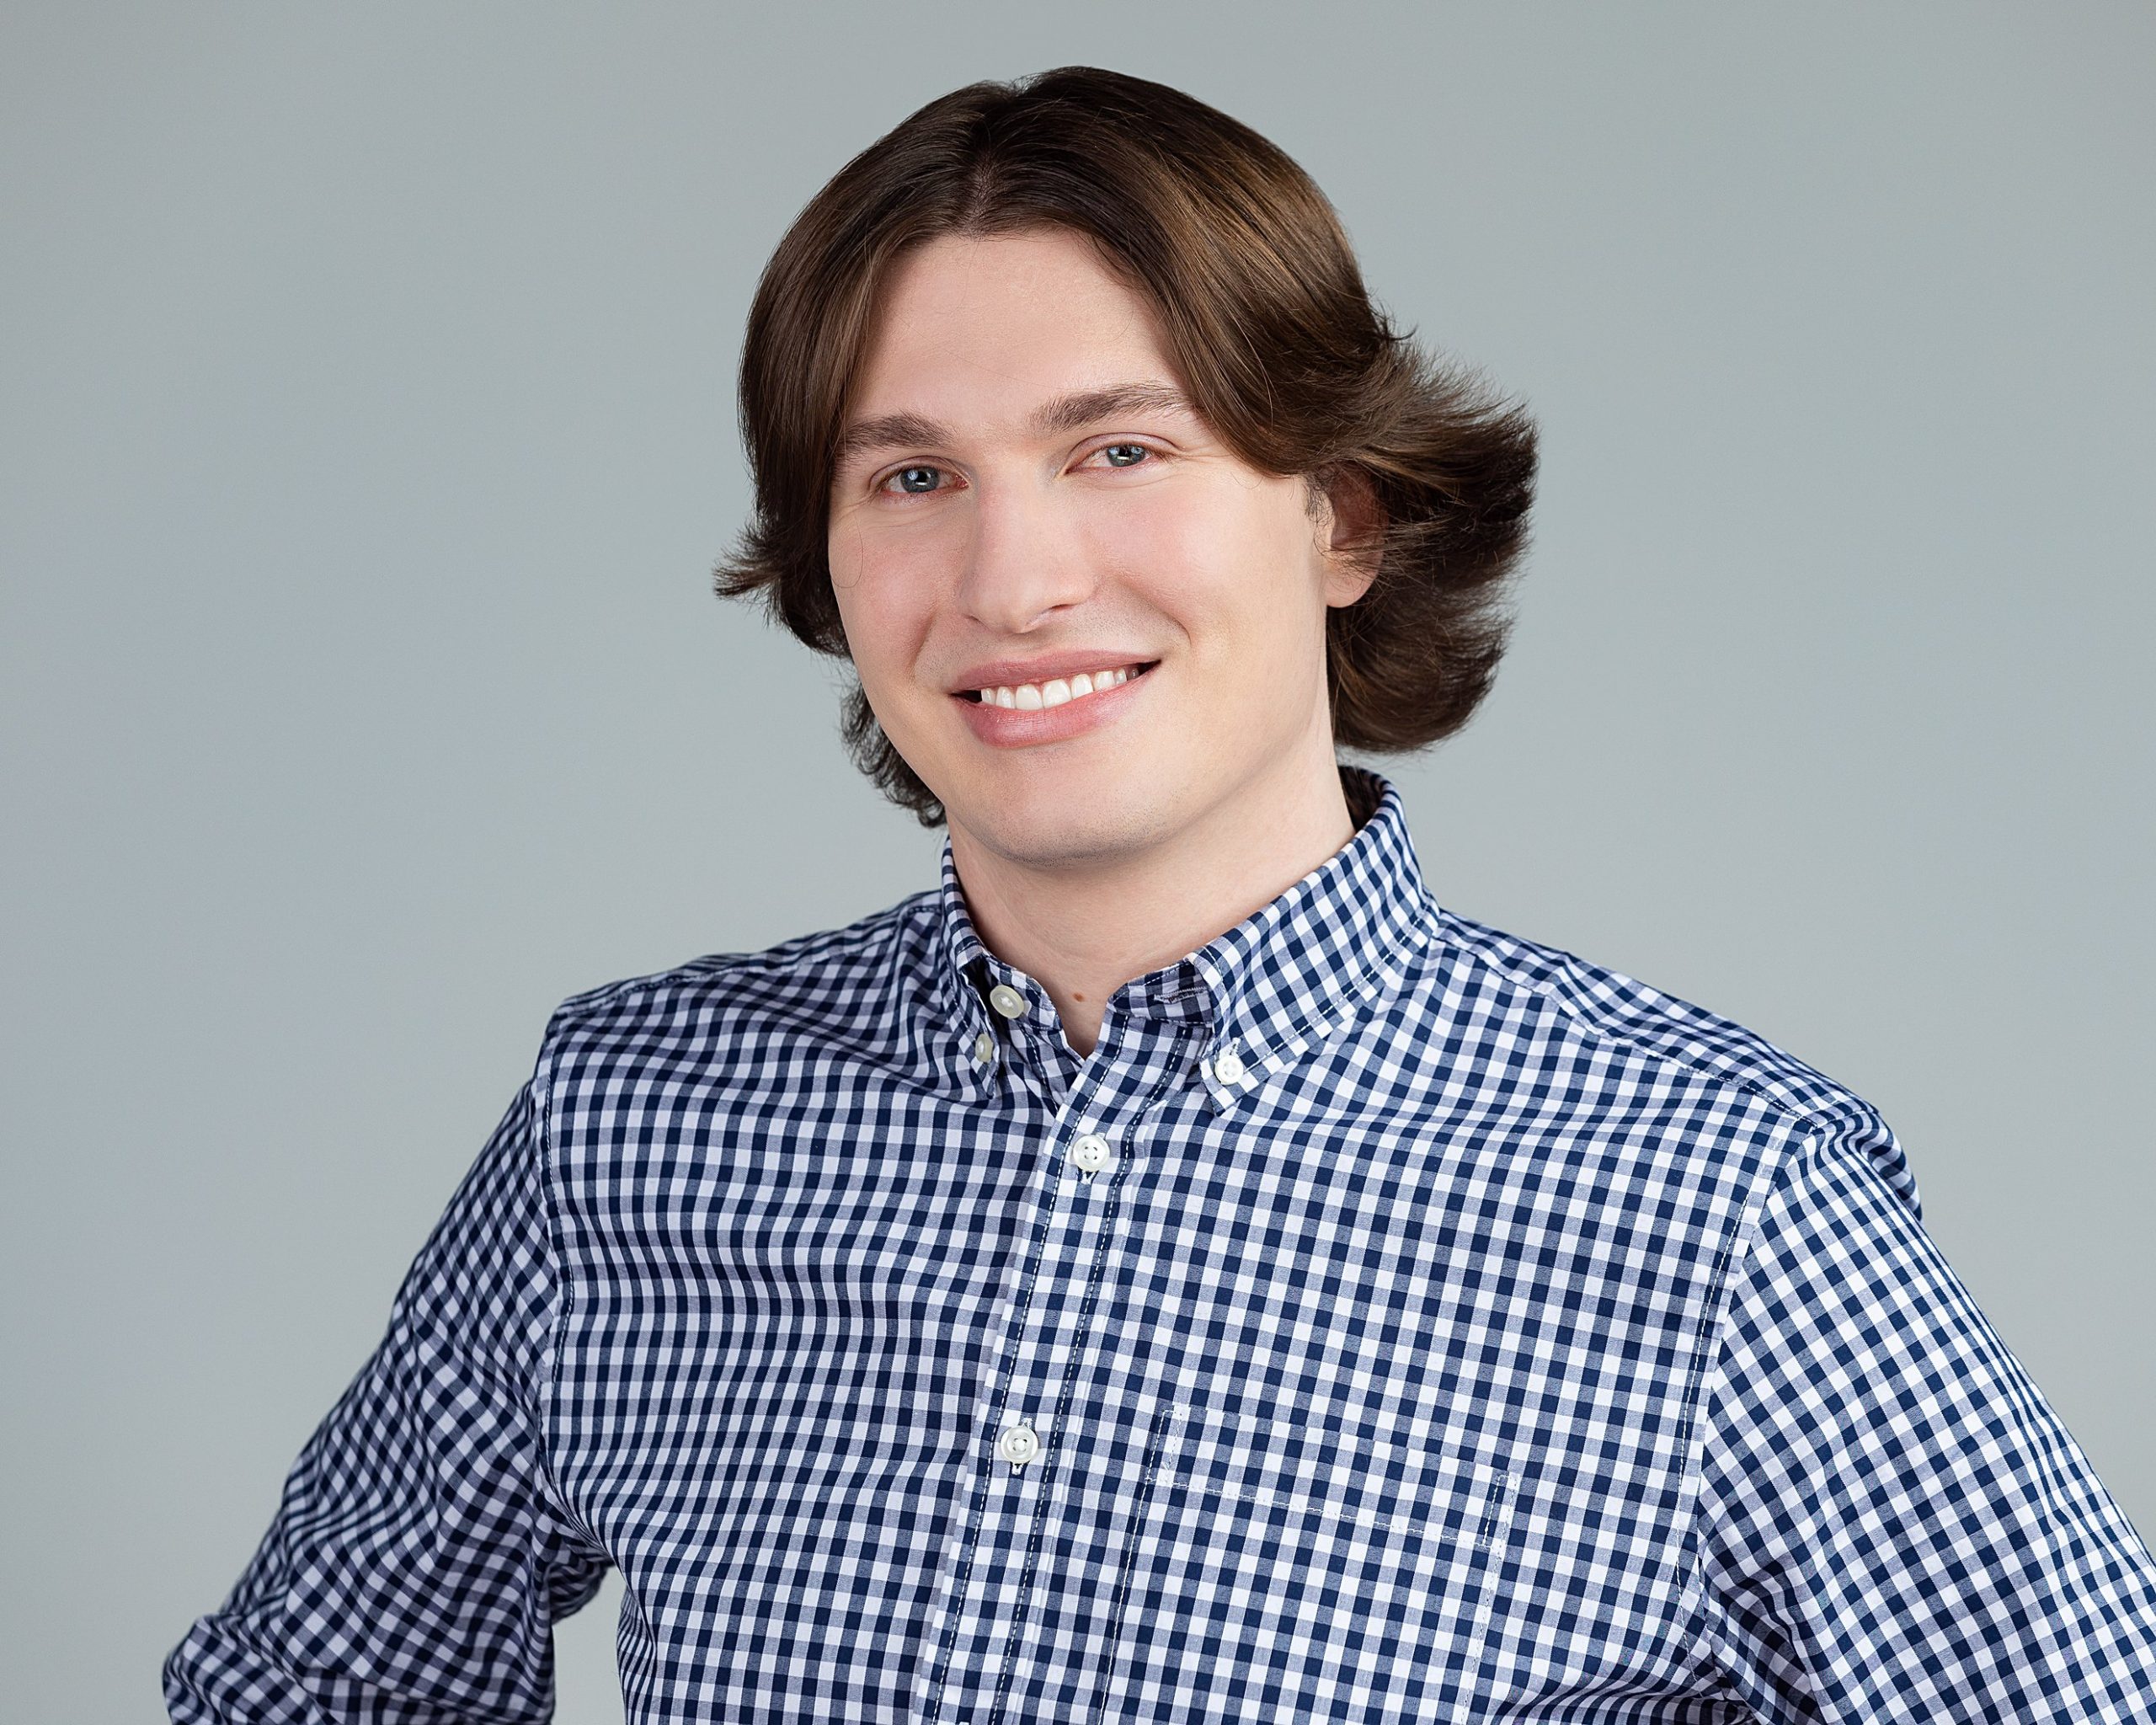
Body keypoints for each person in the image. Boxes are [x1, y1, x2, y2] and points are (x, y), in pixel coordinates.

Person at [166, 64, 2156, 1723]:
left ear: (1340, 516)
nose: (1014, 581)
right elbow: (313, 1685)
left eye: (1117, 449)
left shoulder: (1713, 1205)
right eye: (910, 477)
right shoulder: (638, 1115)